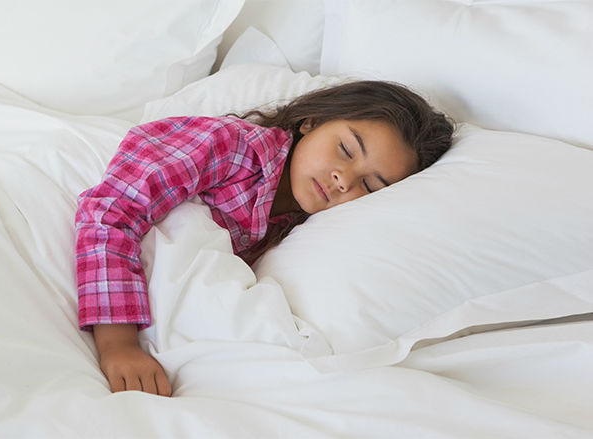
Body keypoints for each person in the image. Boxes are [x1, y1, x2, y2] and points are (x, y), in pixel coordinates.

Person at [74, 80, 454, 397]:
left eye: (370, 185)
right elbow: (112, 211)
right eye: (346, 149)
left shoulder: (305, 228)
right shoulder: (230, 147)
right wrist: (117, 344)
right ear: (310, 122)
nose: (344, 179)